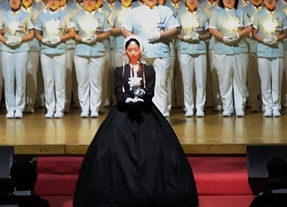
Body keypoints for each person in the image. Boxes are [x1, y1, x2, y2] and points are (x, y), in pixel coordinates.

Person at [73, 37, 199, 207]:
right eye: (129, 49)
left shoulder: (148, 70)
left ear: (140, 50)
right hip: (124, 111)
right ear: (125, 51)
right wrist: (127, 99)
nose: (133, 52)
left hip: (145, 111)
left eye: (136, 49)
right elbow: (118, 91)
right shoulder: (119, 70)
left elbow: (150, 91)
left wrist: (140, 98)